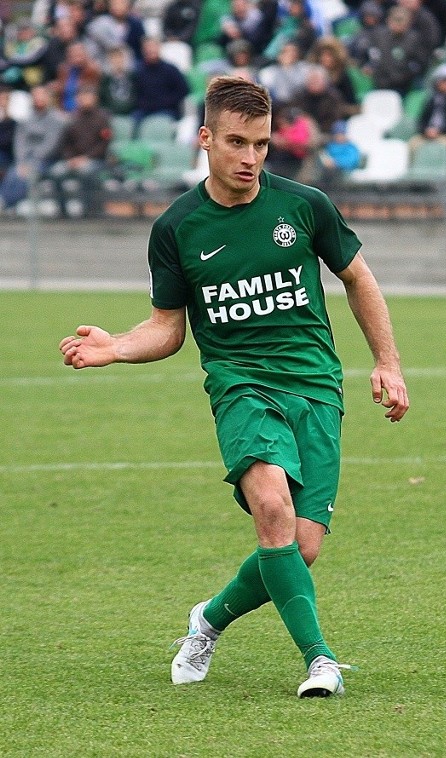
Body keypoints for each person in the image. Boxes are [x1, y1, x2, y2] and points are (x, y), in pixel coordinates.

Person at [59, 75, 409, 697]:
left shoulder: (304, 206)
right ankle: (320, 658)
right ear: (205, 139)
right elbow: (167, 329)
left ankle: (208, 619)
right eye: (237, 143)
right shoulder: (177, 228)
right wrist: (116, 347)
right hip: (240, 387)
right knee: (271, 505)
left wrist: (387, 362)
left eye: (262, 145)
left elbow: (360, 279)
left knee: (300, 549)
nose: (250, 159)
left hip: (316, 388)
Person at [48, 83, 112, 216]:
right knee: (55, 172)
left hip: (96, 160)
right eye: (82, 96)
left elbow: (104, 144)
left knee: (87, 173)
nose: (84, 99)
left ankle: (88, 211)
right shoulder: (72, 119)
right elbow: (65, 144)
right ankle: (63, 211)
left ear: (95, 98)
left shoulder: (103, 118)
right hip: (73, 161)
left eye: (88, 96)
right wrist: (70, 159)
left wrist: (85, 158)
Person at [0, 85, 65, 212]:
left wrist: (31, 161)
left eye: (42, 95)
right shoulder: (26, 118)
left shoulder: (56, 119)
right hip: (25, 160)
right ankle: (5, 202)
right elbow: (20, 142)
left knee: (28, 176)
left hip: (46, 161)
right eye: (36, 96)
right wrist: (21, 161)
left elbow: (51, 145)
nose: (39, 99)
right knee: (13, 174)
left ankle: (8, 205)